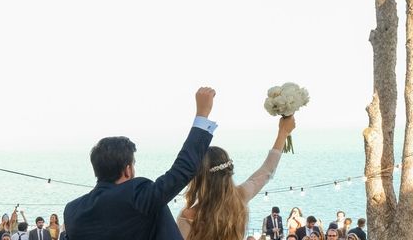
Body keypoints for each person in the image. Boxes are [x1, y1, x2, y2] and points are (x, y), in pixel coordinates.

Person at [64, 86, 216, 240]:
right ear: (127, 170)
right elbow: (182, 170)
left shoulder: (72, 211)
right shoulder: (136, 197)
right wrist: (202, 114)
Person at [178, 115, 295, 240]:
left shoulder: (188, 216)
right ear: (228, 172)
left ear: (199, 178)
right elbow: (267, 170)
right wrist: (283, 133)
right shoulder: (240, 196)